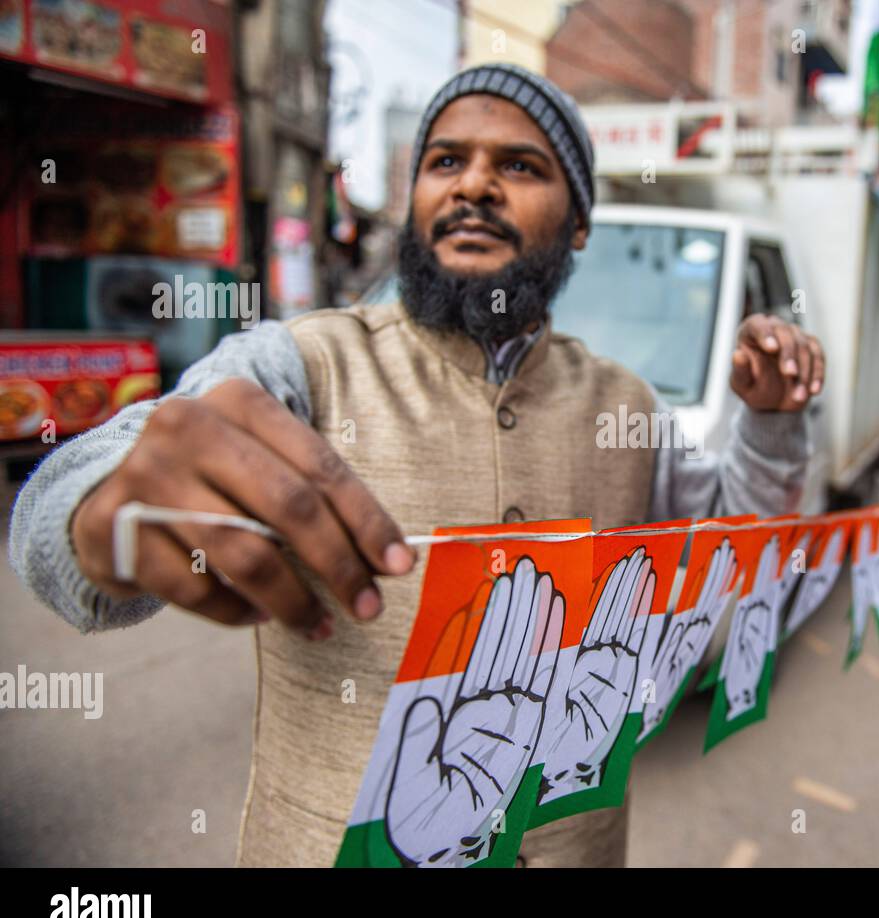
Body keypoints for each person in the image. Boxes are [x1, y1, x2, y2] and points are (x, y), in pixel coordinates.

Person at [6, 63, 824, 867]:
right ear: (414, 204)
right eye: (445, 161)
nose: (473, 186)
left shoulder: (629, 406)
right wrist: (104, 513)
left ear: (578, 222)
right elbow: (61, 515)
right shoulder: (301, 364)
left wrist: (772, 426)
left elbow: (737, 567)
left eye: (519, 165)